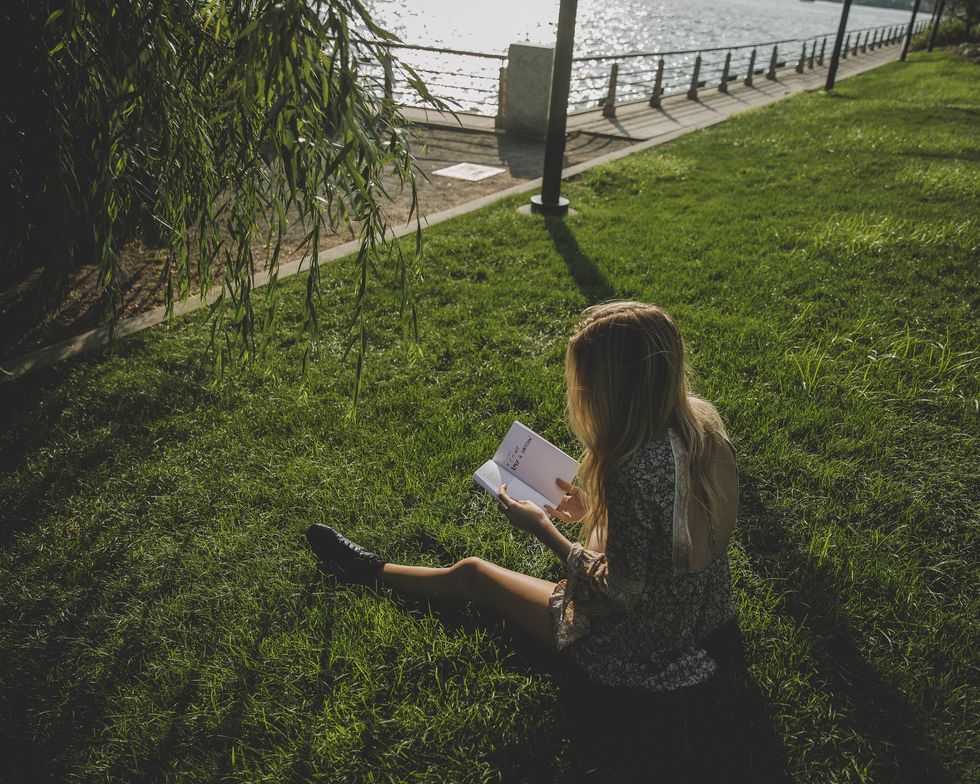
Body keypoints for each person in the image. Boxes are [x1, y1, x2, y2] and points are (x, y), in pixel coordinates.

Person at [306, 300, 739, 699]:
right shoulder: (703, 426)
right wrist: (594, 508)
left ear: (613, 392)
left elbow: (620, 595)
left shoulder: (626, 471)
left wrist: (543, 530)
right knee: (596, 534)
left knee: (473, 573)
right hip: (706, 610)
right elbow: (681, 522)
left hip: (646, 638)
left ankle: (370, 570)